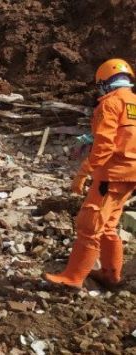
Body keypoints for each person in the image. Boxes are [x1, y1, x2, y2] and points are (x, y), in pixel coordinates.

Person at [45, 58, 136, 289]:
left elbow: (104, 146)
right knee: (108, 226)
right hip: (130, 175)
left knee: (90, 224)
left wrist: (83, 172)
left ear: (104, 82)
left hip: (112, 174)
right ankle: (110, 274)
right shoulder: (133, 103)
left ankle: (73, 278)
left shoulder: (110, 104)